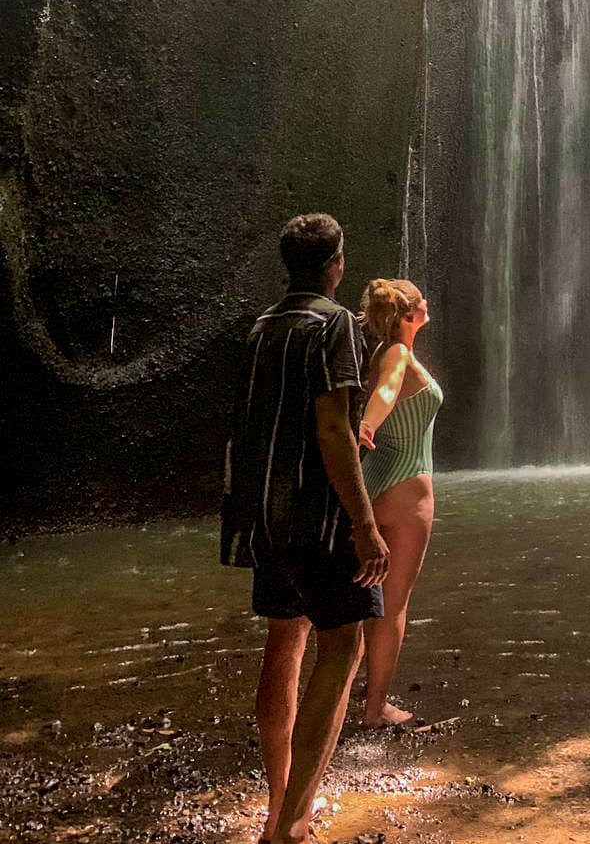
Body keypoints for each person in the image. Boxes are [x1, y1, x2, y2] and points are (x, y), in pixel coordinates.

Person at [221, 214, 390, 844]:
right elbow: (328, 428)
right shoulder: (336, 323)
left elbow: (261, 423)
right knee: (344, 647)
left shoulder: (262, 327)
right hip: (318, 520)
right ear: (335, 264)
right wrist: (365, 522)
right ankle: (291, 823)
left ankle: (276, 805)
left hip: (265, 514)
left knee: (284, 644)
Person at [356, 278, 443, 726]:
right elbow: (386, 392)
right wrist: (367, 425)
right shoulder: (397, 354)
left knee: (362, 602)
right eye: (420, 299)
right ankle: (376, 709)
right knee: (392, 609)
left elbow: (388, 390)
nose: (428, 301)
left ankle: (341, 694)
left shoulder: (388, 353)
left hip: (375, 488)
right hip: (407, 493)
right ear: (408, 315)